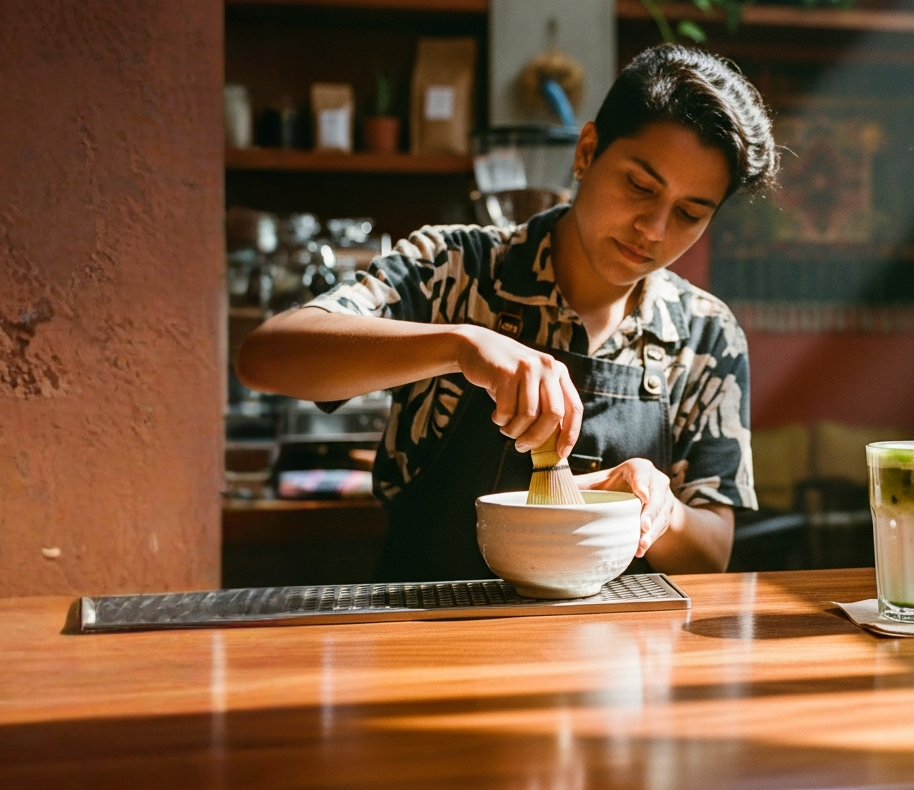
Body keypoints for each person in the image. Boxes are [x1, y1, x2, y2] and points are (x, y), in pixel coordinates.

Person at [237, 45, 778, 581]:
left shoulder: (706, 335)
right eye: (639, 186)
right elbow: (265, 357)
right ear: (587, 152)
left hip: (611, 656)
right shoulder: (455, 268)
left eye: (689, 213)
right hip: (424, 643)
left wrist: (660, 509)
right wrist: (460, 345)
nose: (654, 229)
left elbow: (711, 555)